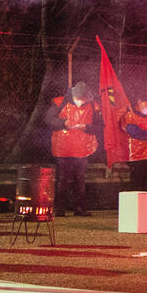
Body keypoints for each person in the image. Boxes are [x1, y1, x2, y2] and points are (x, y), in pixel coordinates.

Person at [49, 82, 99, 217]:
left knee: (80, 180)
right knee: (62, 180)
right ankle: (60, 209)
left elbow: (100, 125)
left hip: (82, 149)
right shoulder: (60, 102)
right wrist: (63, 123)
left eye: (84, 100)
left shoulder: (93, 105)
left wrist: (87, 127)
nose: (81, 102)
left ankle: (79, 209)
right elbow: (48, 119)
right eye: (79, 99)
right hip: (63, 148)